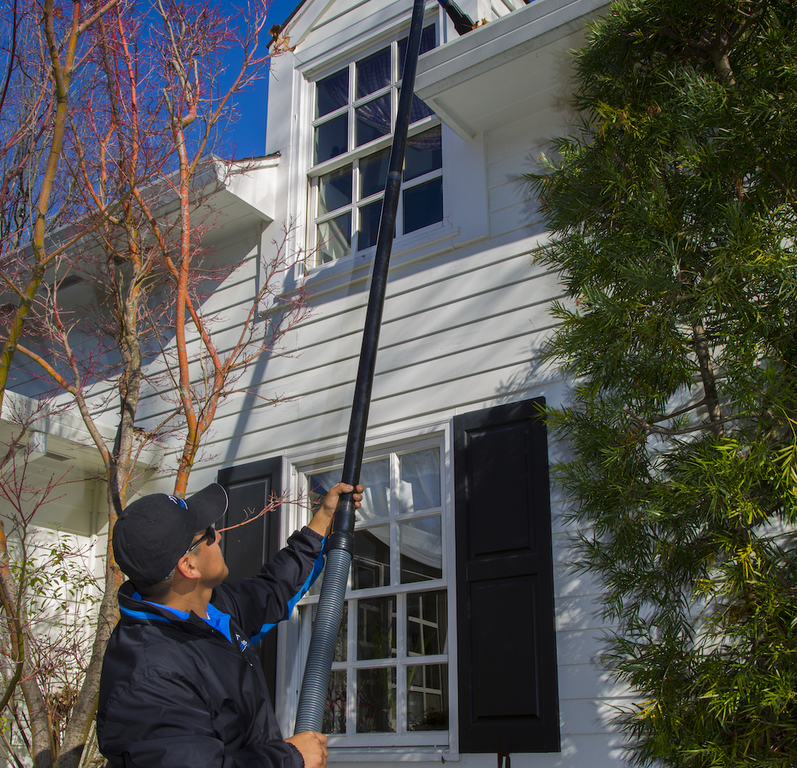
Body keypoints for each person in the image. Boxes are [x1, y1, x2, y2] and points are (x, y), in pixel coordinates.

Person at [97, 480, 363, 768]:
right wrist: (289, 759)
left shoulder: (209, 611)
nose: (219, 537)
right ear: (189, 566)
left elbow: (274, 590)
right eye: (208, 533)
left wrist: (324, 517)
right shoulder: (150, 678)